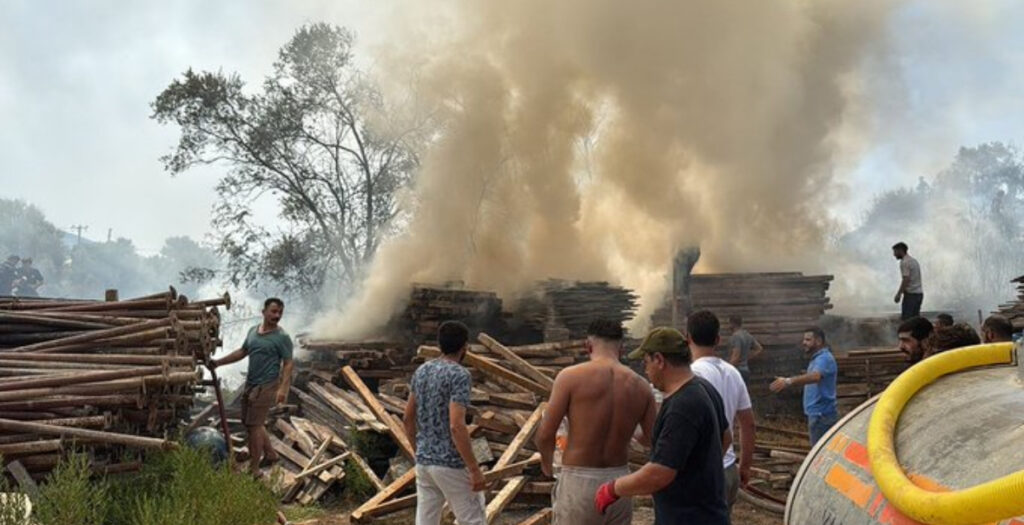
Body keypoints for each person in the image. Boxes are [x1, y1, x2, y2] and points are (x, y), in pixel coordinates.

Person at [595, 327, 731, 525]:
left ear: (659, 360)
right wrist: (698, 472)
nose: (646, 370)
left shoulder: (682, 406)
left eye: (646, 362)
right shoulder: (704, 388)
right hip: (707, 513)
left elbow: (659, 473)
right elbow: (725, 437)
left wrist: (613, 489)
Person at [534, 319, 656, 525]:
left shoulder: (570, 377)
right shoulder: (641, 386)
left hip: (579, 481)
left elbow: (546, 433)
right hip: (619, 483)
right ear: (621, 348)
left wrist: (547, 466)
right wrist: (628, 430)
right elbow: (651, 439)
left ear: (587, 346)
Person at [403, 321, 486, 525]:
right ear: (464, 346)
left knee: (426, 521)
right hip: (451, 464)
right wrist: (474, 469)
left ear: (439, 344)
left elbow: (407, 418)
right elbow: (456, 425)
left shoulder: (422, 371)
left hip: (425, 462)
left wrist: (419, 451)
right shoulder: (459, 375)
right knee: (472, 520)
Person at [209, 298, 294, 475]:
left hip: (267, 386)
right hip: (251, 384)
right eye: (273, 311)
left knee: (254, 426)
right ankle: (270, 454)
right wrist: (218, 362)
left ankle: (254, 470)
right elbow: (242, 352)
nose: (277, 316)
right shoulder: (253, 332)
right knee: (250, 423)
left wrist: (283, 389)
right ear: (263, 312)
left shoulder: (282, 337)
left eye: (280, 312)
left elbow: (288, 363)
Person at [687, 311, 755, 513]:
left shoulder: (691, 376)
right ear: (718, 339)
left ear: (688, 338)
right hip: (728, 469)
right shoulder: (733, 373)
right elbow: (748, 424)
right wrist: (745, 466)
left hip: (702, 473)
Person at [770, 327, 838, 446]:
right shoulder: (817, 359)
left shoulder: (824, 358)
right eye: (804, 339)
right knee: (819, 451)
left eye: (808, 340)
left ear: (818, 341)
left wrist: (788, 381)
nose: (804, 343)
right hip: (818, 415)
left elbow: (815, 377)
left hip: (821, 416)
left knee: (819, 455)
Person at [892, 242, 924, 320]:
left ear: (900, 250)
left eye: (895, 252)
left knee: (907, 321)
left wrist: (898, 294)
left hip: (911, 296)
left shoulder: (904, 262)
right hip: (919, 294)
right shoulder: (913, 261)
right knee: (915, 321)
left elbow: (906, 279)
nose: (894, 254)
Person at [727, 315, 762, 384]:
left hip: (737, 371)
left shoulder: (736, 336)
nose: (728, 326)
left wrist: (727, 369)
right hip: (745, 370)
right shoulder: (747, 335)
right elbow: (759, 349)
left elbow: (736, 356)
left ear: (733, 324)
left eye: (729, 323)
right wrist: (747, 357)